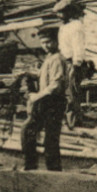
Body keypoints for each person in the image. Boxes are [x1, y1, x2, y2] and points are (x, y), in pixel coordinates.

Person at [21, 29, 67, 172]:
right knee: (29, 132)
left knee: (49, 140)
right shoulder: (49, 57)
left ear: (56, 42)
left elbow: (55, 86)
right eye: (43, 42)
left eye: (48, 42)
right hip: (46, 103)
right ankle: (32, 166)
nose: (45, 45)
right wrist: (31, 75)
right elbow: (44, 76)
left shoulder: (57, 59)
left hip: (53, 103)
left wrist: (36, 96)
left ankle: (49, 170)